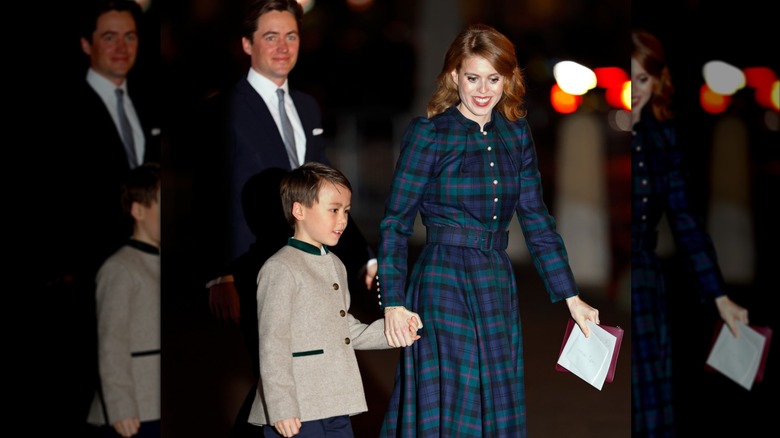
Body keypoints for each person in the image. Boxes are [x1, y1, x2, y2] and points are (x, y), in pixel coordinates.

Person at [377, 23, 601, 437]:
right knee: (455, 402)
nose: (483, 90)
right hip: (442, 282)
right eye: (473, 77)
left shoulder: (516, 134)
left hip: (495, 281)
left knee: (496, 400)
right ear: (453, 77)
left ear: (508, 79)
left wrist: (571, 296)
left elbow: (536, 220)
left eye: (494, 78)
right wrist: (392, 301)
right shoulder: (429, 134)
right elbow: (395, 223)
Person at [199, 0, 377, 324]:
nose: (283, 47)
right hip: (254, 267)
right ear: (247, 44)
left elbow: (326, 190)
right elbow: (212, 194)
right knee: (271, 369)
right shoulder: (225, 109)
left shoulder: (307, 106)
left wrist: (363, 257)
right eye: (271, 37)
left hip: (313, 264)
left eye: (291, 36)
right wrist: (220, 275)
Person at [38, 1, 161, 432]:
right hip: (84, 286)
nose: (122, 46)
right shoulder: (61, 109)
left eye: (130, 36)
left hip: (146, 277)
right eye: (109, 36)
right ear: (86, 44)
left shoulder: (145, 102)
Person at [630, 28, 749, 437]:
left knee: (651, 409)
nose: (635, 91)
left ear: (657, 80)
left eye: (643, 79)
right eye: (629, 80)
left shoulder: (662, 138)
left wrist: (720, 296)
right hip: (614, 279)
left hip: (646, 282)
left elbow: (686, 222)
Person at [247, 162, 422, 438]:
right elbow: (272, 343)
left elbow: (344, 329)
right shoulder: (280, 268)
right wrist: (281, 407)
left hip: (336, 402)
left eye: (346, 211)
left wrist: (391, 333)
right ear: (298, 210)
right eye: (334, 210)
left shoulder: (336, 265)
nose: (342, 220)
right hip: (298, 409)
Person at [86, 162, 161, 438]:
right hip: (136, 410)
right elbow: (111, 343)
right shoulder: (120, 267)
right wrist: (120, 407)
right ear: (138, 210)